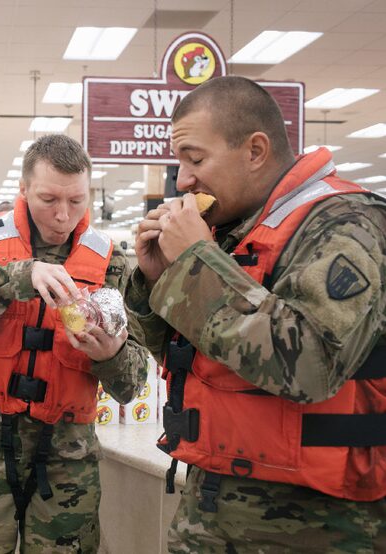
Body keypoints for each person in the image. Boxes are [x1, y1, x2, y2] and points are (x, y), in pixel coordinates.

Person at [125, 75, 386, 552]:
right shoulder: (233, 229)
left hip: (315, 531)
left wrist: (196, 266)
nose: (182, 180)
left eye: (195, 159)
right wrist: (158, 279)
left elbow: (310, 364)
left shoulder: (347, 224)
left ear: (255, 150)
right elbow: (189, 358)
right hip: (212, 514)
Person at [0, 134, 150, 552]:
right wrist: (13, 280)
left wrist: (111, 355)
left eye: (77, 201)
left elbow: (131, 384)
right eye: (48, 200)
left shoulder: (109, 260)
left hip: (68, 462)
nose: (63, 216)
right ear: (23, 191)